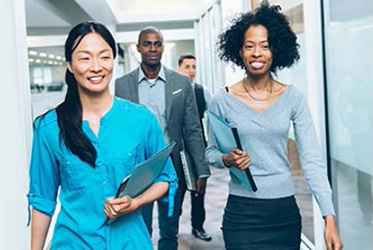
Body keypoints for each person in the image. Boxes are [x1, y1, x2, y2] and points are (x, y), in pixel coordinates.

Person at [27, 21, 177, 250]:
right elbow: (42, 200)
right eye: (85, 58)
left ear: (113, 61)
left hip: (130, 242)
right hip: (72, 243)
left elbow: (165, 178)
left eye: (104, 57)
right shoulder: (49, 127)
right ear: (70, 64)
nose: (96, 67)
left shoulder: (141, 119)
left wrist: (135, 202)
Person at [206, 2, 343, 250]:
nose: (257, 53)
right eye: (249, 46)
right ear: (239, 51)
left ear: (276, 51)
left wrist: (329, 218)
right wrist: (227, 159)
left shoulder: (294, 98)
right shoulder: (221, 100)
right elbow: (210, 153)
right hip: (241, 214)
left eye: (265, 46)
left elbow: (312, 160)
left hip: (283, 214)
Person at [115, 27, 210, 250]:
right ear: (138, 48)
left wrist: (201, 169)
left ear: (163, 47)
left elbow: (193, 129)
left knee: (169, 230)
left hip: (171, 169)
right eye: (147, 44)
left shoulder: (180, 83)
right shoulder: (123, 84)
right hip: (138, 171)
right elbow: (120, 131)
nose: (152, 48)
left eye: (157, 43)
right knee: (140, 228)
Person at [177, 53, 212, 241]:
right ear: (179, 68)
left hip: (198, 148)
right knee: (177, 190)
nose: (191, 71)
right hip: (178, 149)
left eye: (194, 67)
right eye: (187, 66)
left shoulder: (201, 91)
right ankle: (172, 227)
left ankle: (198, 227)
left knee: (199, 190)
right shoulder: (173, 90)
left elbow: (213, 118)